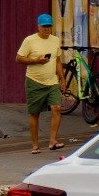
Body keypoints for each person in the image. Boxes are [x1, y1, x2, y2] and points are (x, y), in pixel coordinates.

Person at [17, 13, 66, 154]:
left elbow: (57, 60)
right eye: (44, 26)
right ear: (38, 26)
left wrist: (62, 79)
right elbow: (19, 58)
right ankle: (35, 145)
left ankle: (52, 141)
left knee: (56, 108)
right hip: (34, 81)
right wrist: (36, 61)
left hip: (52, 82)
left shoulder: (55, 40)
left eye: (49, 26)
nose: (47, 29)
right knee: (34, 113)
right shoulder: (29, 40)